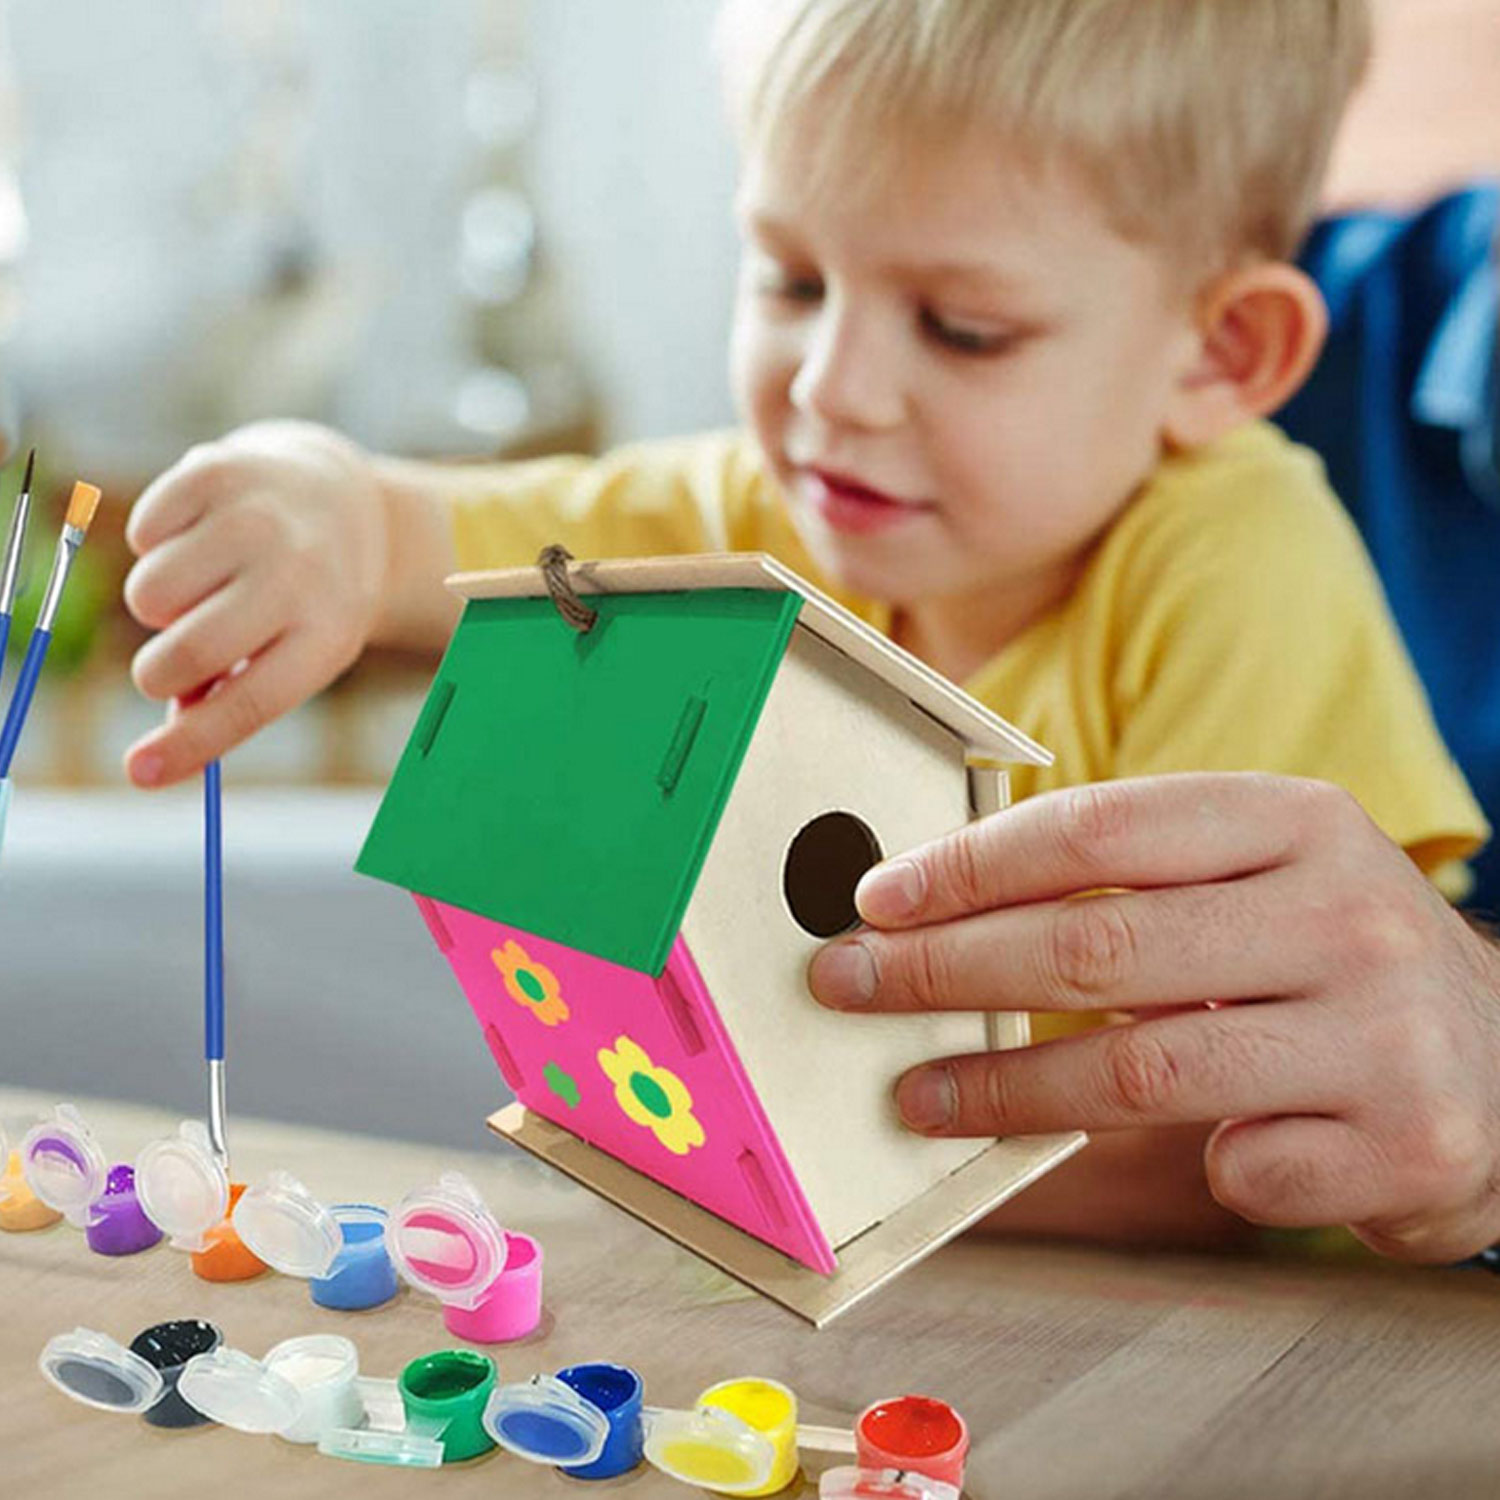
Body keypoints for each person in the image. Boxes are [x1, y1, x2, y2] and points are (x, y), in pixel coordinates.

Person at [121, 0, 1493, 1254]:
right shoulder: (765, 500)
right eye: (787, 279)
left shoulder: (1236, 555)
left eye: (960, 328)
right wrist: (315, 509)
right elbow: (410, 536)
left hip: (1258, 1336)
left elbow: (1212, 1136)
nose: (834, 390)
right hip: (906, 1282)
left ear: (1220, 355)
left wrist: (758, 1165)